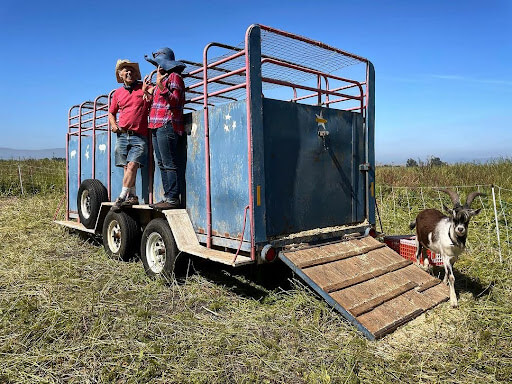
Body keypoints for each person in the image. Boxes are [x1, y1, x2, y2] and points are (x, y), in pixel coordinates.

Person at [143, 47, 187, 210]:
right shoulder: (161, 80)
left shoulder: (174, 77)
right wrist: (147, 93)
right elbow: (154, 105)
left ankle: (173, 198)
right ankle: (168, 197)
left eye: (159, 64)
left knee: (169, 162)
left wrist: (161, 86)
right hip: (155, 124)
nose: (157, 68)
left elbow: (175, 101)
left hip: (168, 124)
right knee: (161, 162)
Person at [108, 59, 150, 211]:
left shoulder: (143, 88)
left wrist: (148, 91)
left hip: (139, 135)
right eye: (125, 70)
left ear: (136, 74)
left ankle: (121, 197)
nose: (129, 72)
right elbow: (111, 113)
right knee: (127, 167)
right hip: (122, 135)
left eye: (131, 70)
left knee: (132, 165)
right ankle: (133, 197)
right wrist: (113, 125)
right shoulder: (117, 93)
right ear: (120, 75)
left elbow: (154, 95)